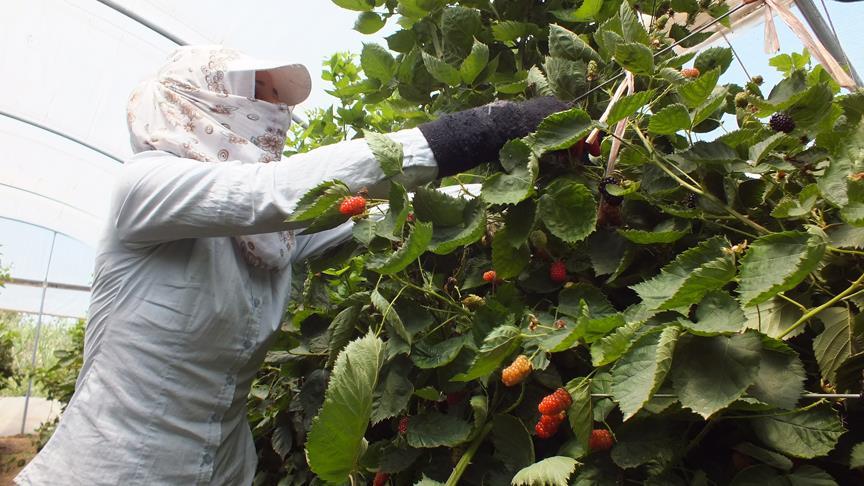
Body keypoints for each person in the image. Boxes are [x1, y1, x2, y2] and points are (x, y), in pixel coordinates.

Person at [15, 45, 566, 485]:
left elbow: (376, 212)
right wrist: (490, 127)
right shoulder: (145, 187)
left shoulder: (271, 238)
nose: (274, 113)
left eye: (276, 100)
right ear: (198, 100)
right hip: (111, 472)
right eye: (256, 93)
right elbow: (275, 190)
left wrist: (518, 178)